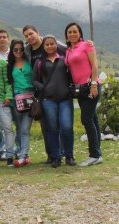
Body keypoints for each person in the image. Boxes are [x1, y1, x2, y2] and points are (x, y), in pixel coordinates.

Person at [23, 24, 66, 164]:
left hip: (58, 91)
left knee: (59, 123)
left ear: (37, 32)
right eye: (26, 36)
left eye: (31, 34)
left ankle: (61, 152)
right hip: (40, 92)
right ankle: (51, 154)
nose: (29, 37)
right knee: (46, 125)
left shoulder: (52, 43)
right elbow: (13, 55)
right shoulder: (27, 49)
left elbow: (70, 50)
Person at [32, 35, 76, 168]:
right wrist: (43, 88)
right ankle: (56, 157)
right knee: (52, 128)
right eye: (47, 44)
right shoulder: (39, 62)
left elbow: (72, 76)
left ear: (56, 45)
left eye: (52, 44)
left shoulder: (64, 60)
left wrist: (69, 89)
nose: (50, 46)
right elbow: (34, 80)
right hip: (48, 100)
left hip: (65, 99)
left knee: (67, 127)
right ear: (43, 47)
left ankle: (69, 156)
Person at [65, 22, 102, 167]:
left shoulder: (87, 45)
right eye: (69, 32)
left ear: (80, 33)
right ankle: (98, 155)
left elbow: (94, 65)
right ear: (66, 35)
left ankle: (94, 155)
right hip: (80, 90)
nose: (72, 34)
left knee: (86, 119)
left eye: (75, 31)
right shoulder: (68, 50)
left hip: (91, 86)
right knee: (93, 120)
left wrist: (93, 84)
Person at [7, 39, 33, 167]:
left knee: (25, 129)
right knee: (18, 127)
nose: (18, 52)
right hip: (16, 100)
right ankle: (22, 153)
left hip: (30, 98)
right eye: (15, 50)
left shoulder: (30, 61)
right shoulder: (9, 65)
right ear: (12, 51)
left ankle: (23, 156)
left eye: (21, 49)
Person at [0, 29, 10, 160]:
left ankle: (14, 149)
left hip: (15, 92)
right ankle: (1, 150)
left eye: (4, 37)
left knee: (13, 124)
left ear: (8, 39)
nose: (2, 39)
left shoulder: (16, 52)